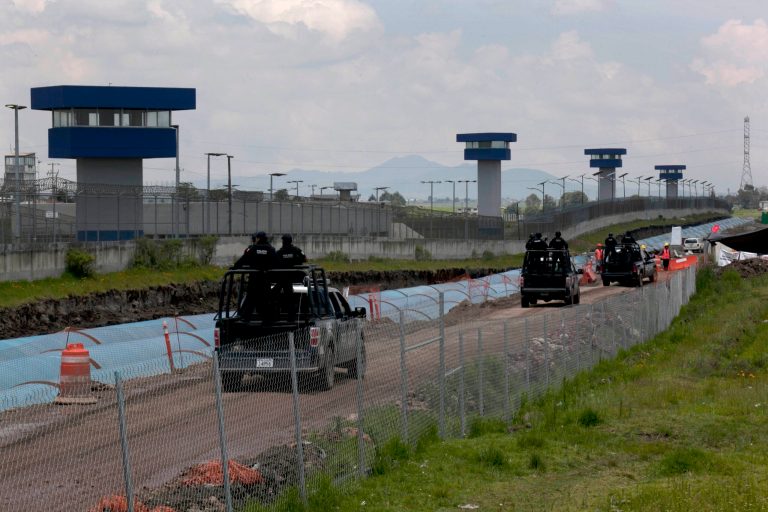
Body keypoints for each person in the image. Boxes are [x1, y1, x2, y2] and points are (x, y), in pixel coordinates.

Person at [233, 232, 276, 320]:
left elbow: (243, 260)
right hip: (265, 280)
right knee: (266, 299)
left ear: (258, 239)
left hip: (254, 279)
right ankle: (267, 320)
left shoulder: (253, 248)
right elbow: (276, 262)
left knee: (250, 299)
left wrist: (234, 267)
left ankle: (245, 318)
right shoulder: (271, 249)